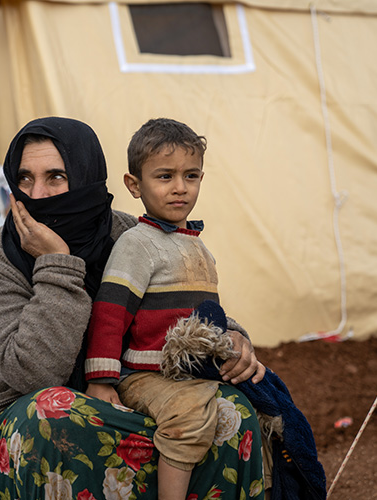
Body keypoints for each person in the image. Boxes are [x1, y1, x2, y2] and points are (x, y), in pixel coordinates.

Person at [0, 116, 266, 500]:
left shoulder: (130, 235)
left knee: (230, 410)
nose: (37, 194)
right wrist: (57, 263)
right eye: (25, 179)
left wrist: (232, 337)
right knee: (55, 412)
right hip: (16, 417)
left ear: (87, 177)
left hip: (126, 396)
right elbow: (35, 374)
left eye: (55, 177)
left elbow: (179, 300)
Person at [84, 118, 265, 499]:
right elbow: (110, 313)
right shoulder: (137, 244)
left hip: (189, 369)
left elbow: (204, 318)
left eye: (191, 176)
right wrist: (101, 378)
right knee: (187, 416)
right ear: (135, 185)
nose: (180, 188)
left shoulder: (198, 247)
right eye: (164, 176)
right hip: (147, 372)